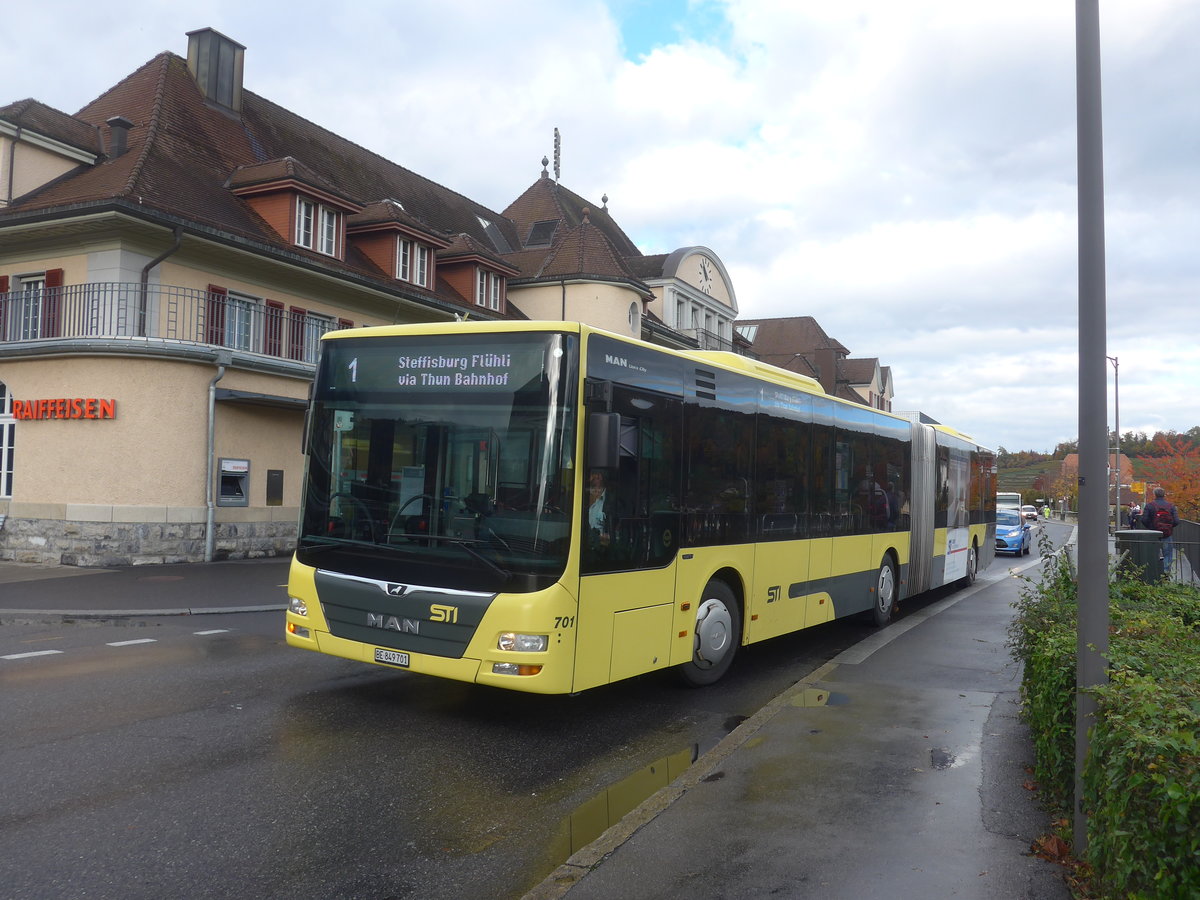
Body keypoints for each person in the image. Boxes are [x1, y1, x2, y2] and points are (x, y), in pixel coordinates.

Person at [1140, 488, 1179, 575]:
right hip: (1167, 534)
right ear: (1164, 494)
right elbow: (1176, 521)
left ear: (1155, 494)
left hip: (1153, 535)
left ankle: (1153, 572)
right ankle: (1165, 573)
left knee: (1152, 553)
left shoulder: (1150, 505)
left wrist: (1151, 528)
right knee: (1168, 554)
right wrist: (1169, 528)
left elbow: (1144, 520)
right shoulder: (1171, 506)